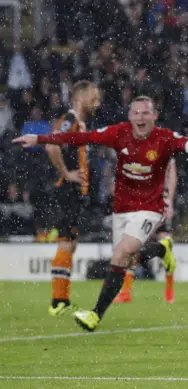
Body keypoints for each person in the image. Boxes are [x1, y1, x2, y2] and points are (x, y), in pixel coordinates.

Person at [14, 96, 188, 332]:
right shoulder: (119, 133)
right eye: (136, 113)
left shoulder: (165, 138)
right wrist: (40, 138)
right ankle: (161, 249)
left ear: (154, 116)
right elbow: (80, 137)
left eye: (146, 113)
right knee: (127, 260)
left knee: (121, 253)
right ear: (129, 116)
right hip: (123, 208)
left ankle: (95, 315)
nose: (141, 117)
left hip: (151, 207)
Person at [45, 80, 101, 317]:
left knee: (71, 242)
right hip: (68, 191)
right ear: (80, 97)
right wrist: (65, 173)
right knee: (67, 241)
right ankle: (58, 301)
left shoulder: (80, 123)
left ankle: (62, 299)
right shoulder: (70, 120)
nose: (97, 102)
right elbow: (51, 146)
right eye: (93, 97)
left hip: (76, 193)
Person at [114, 157, 177, 304]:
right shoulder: (136, 146)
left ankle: (169, 291)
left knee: (164, 239)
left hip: (160, 201)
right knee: (134, 244)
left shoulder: (163, 144)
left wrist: (170, 200)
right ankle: (126, 292)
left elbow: (172, 173)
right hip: (141, 202)